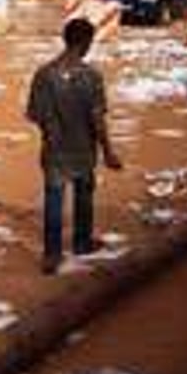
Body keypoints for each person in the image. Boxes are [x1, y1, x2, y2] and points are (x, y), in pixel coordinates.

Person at [26, 18, 124, 275]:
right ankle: (82, 243)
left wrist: (54, 131)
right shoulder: (91, 77)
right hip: (83, 150)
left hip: (54, 151)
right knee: (84, 197)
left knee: (54, 202)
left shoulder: (44, 74)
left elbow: (35, 115)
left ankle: (52, 255)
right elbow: (97, 119)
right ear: (85, 43)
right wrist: (108, 151)